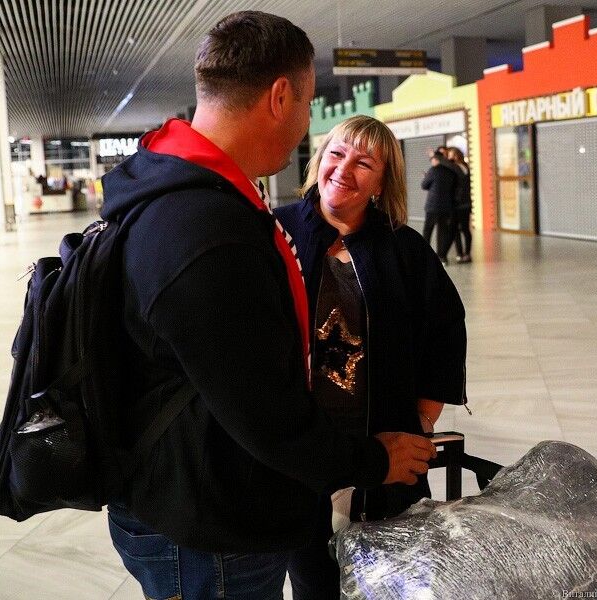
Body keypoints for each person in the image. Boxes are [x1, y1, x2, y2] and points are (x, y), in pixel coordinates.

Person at [98, 12, 438, 600]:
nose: (307, 124)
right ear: (281, 96)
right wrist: (372, 460)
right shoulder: (207, 228)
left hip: (192, 498)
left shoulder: (178, 191)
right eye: (307, 104)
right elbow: (266, 415)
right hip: (209, 528)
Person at [275, 115, 469, 600]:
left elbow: (445, 330)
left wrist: (423, 420)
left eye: (364, 163)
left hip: (387, 455)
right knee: (315, 581)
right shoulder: (278, 232)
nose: (344, 170)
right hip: (303, 458)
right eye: (337, 154)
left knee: (390, 582)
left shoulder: (402, 248)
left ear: (382, 182)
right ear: (319, 159)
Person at [420, 150, 457, 264]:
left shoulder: (433, 170)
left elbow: (424, 185)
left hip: (432, 206)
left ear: (436, 160)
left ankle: (424, 255)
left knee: (428, 230)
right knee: (442, 231)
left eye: (432, 160)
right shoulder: (450, 172)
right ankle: (442, 257)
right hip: (446, 206)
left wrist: (426, 177)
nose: (431, 162)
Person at [448, 147, 473, 263]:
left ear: (456, 155)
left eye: (451, 155)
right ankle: (465, 253)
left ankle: (462, 253)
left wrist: (435, 156)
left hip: (459, 204)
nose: (449, 157)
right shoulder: (465, 166)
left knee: (458, 230)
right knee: (464, 229)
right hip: (465, 203)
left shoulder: (456, 167)